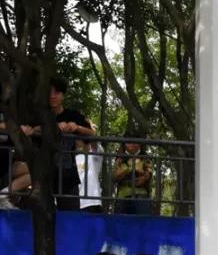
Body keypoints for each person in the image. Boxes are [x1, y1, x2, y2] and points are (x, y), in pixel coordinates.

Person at [22, 77, 95, 210]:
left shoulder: (73, 115)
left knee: (71, 218)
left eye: (57, 93)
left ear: (63, 95)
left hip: (68, 176)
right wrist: (52, 126)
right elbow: (30, 129)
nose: (52, 96)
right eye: (49, 93)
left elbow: (92, 134)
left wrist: (76, 127)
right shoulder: (39, 115)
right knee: (41, 215)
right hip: (43, 176)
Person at [113, 137, 154, 216]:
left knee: (142, 223)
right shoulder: (119, 158)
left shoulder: (146, 158)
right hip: (123, 196)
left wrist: (142, 176)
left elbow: (148, 175)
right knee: (121, 223)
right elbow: (116, 176)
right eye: (129, 142)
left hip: (141, 196)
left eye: (135, 142)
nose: (132, 145)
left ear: (139, 144)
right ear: (125, 144)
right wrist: (131, 169)